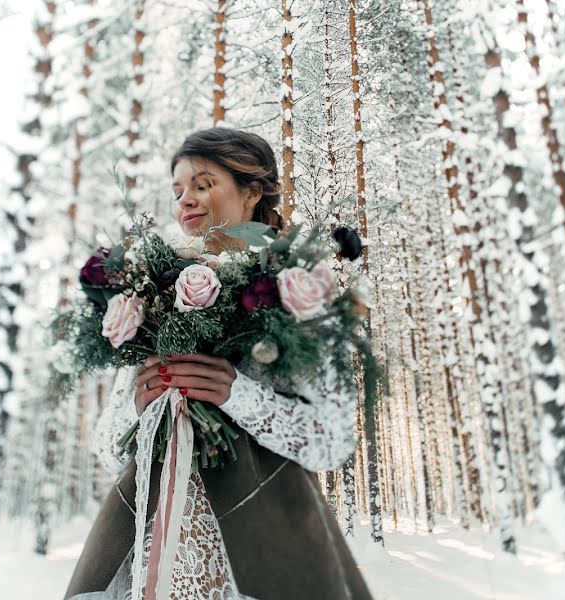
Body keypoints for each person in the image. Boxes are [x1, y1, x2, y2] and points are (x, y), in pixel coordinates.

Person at [64, 128, 374, 600]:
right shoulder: (154, 297)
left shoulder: (298, 294)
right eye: (177, 190)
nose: (185, 200)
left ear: (252, 191)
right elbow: (109, 450)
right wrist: (138, 405)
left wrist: (236, 393)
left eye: (203, 184)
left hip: (262, 550)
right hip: (155, 554)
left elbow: (332, 441)